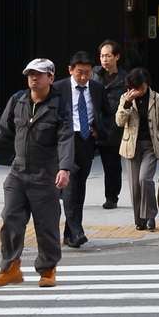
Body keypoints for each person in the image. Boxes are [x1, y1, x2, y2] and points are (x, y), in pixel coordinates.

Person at [0, 59, 74, 288]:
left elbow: (65, 137)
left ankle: (48, 269)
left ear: (50, 78)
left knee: (47, 225)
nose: (34, 78)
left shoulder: (59, 105)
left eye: (39, 74)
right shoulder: (17, 100)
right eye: (30, 74)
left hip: (46, 173)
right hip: (18, 172)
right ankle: (11, 268)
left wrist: (64, 168)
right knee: (10, 219)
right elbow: (4, 130)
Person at [55, 51, 102, 248]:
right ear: (70, 70)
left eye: (87, 73)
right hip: (67, 140)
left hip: (86, 141)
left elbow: (106, 113)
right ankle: (76, 230)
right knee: (71, 184)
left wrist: (98, 131)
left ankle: (69, 235)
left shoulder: (98, 88)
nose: (83, 77)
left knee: (79, 187)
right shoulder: (58, 88)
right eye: (79, 73)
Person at [114, 67, 159, 231]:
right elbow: (118, 121)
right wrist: (127, 104)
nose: (136, 91)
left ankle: (150, 216)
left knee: (144, 180)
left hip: (150, 146)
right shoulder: (126, 98)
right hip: (131, 146)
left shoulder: (156, 98)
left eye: (139, 87)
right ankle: (139, 220)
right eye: (132, 88)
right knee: (134, 186)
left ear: (146, 84)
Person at [93, 40, 129, 210]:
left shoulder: (125, 79)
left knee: (112, 166)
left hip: (113, 129)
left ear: (117, 57)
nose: (104, 59)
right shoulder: (93, 74)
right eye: (102, 56)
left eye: (108, 55)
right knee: (77, 160)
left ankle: (111, 197)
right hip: (93, 126)